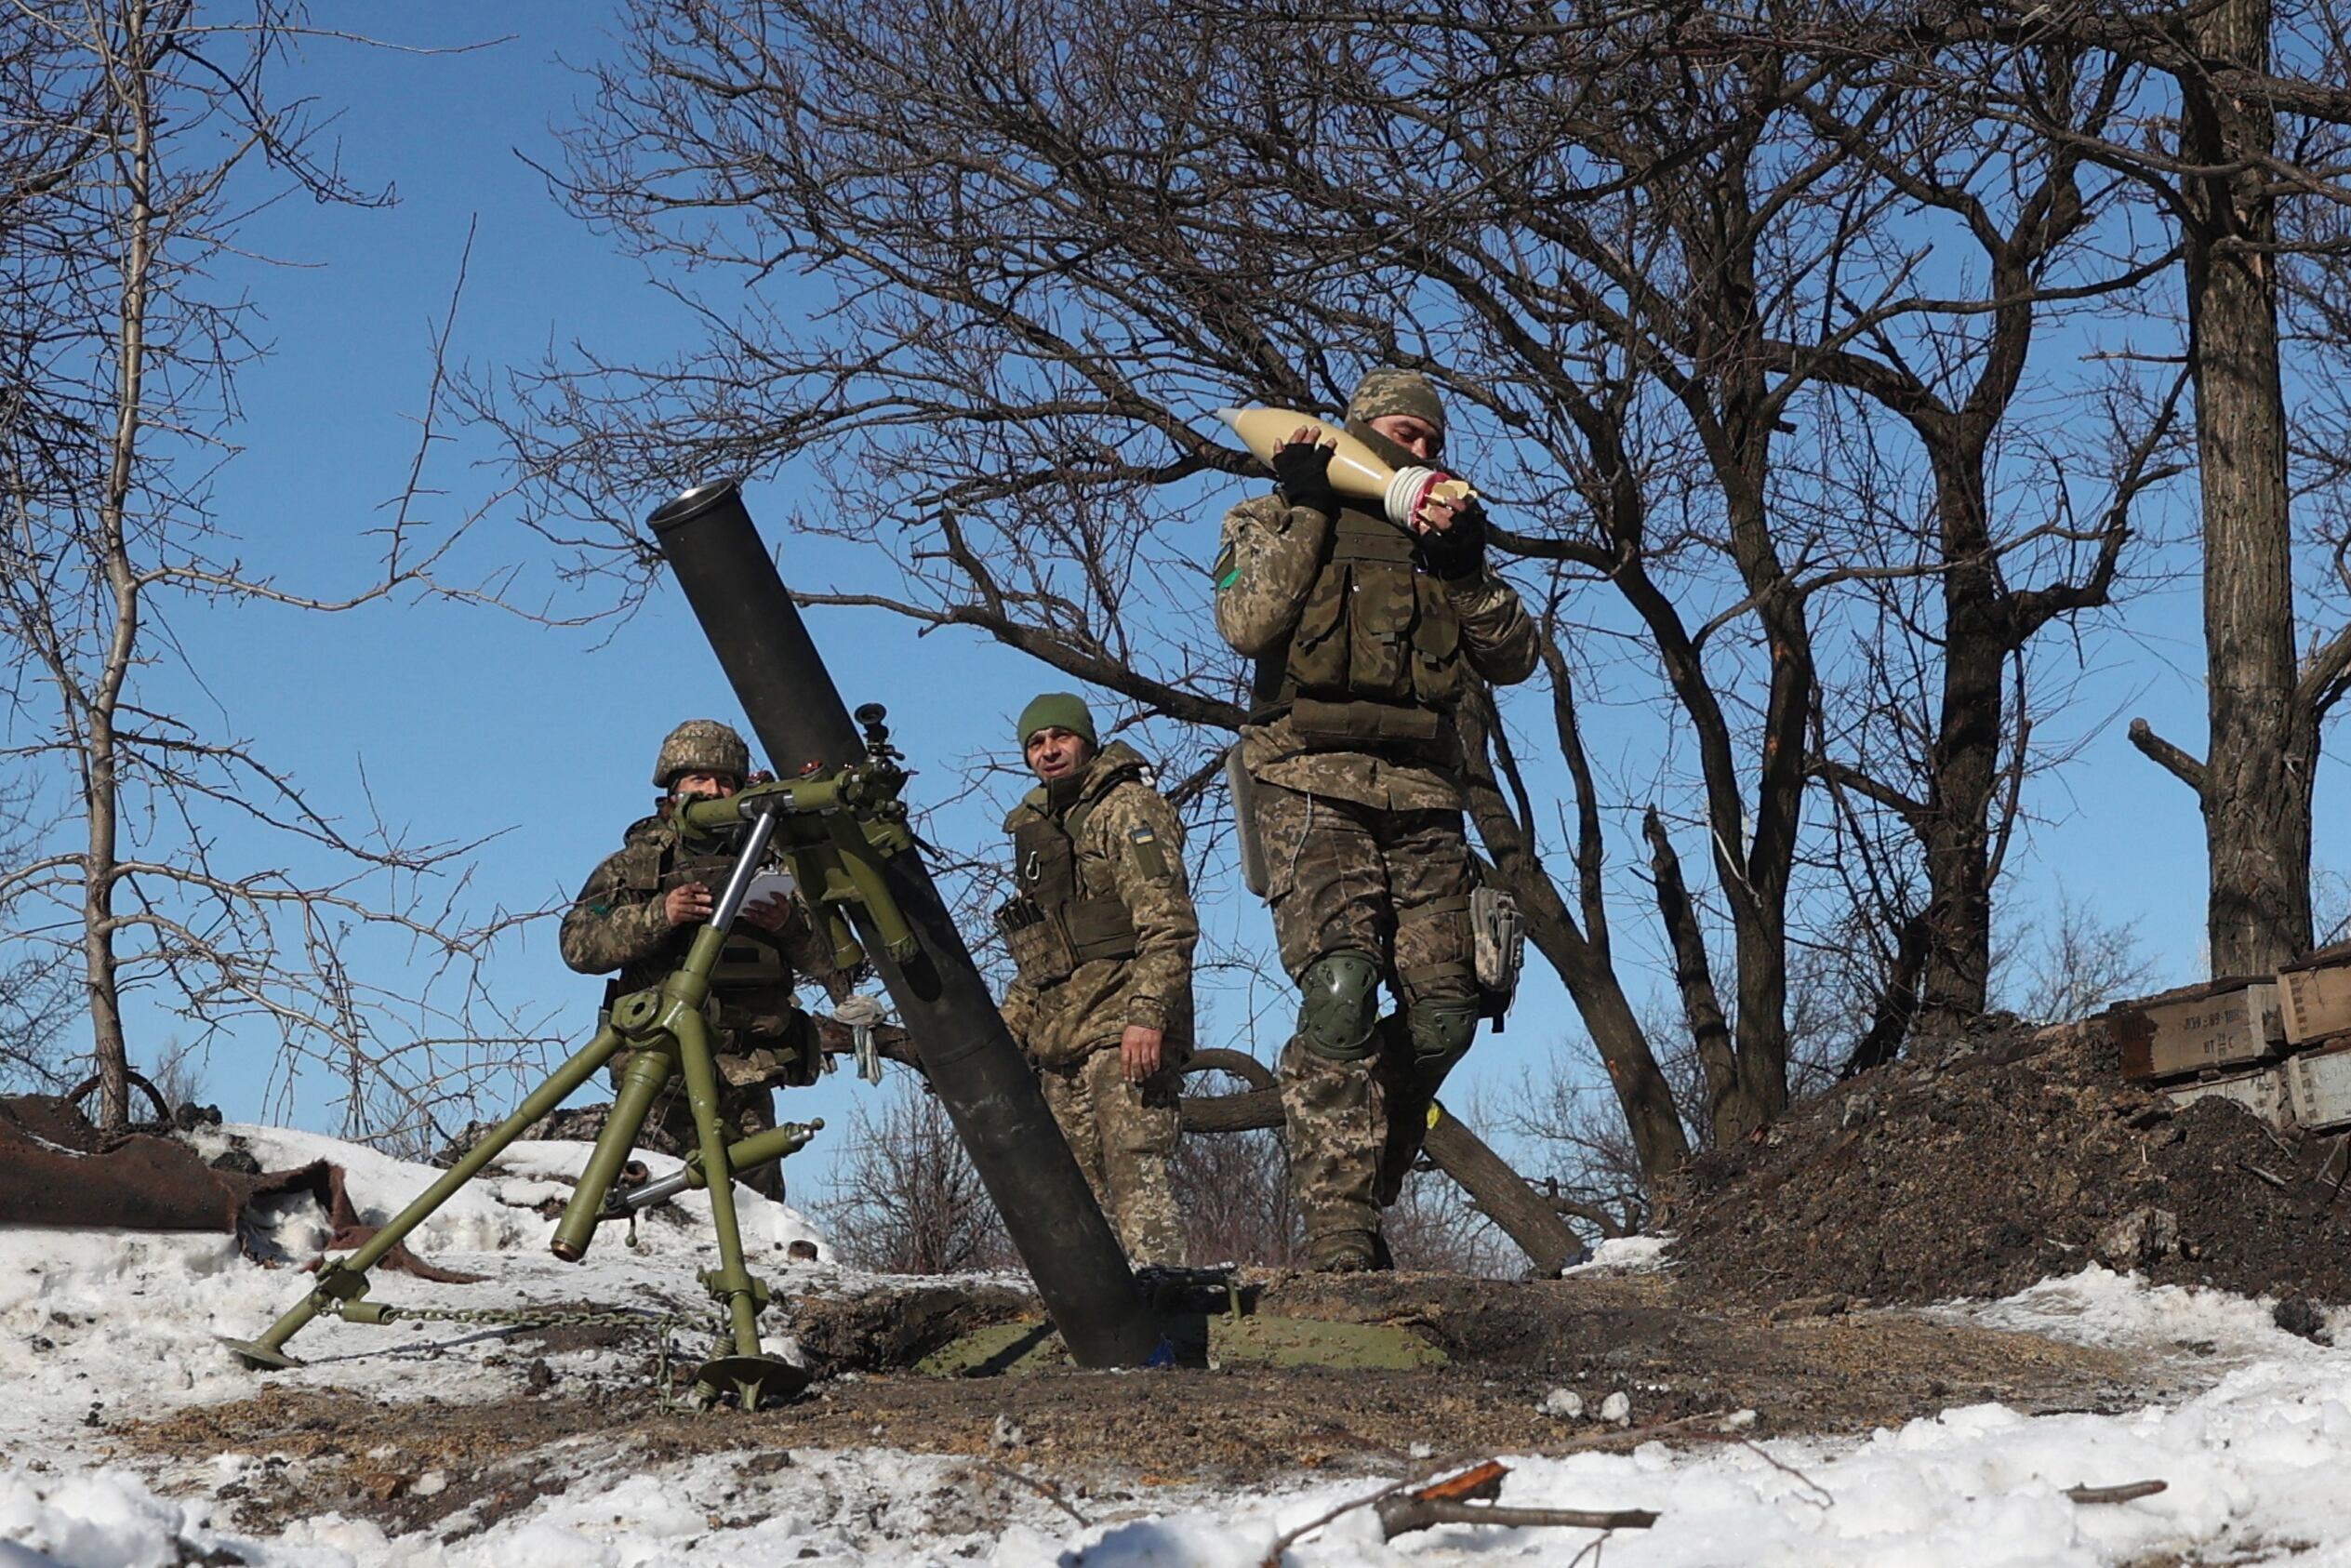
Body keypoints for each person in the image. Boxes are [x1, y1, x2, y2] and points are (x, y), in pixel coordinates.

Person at [1212, 367, 1537, 1271]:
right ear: (1359, 434)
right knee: (1341, 988)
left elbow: (1514, 656)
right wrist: (1309, 506)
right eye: (1402, 433)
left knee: (1446, 1011)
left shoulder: (1443, 542)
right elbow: (1247, 619)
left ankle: (1362, 1154)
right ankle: (1339, 1228)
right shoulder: (1269, 518)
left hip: (1424, 798)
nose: (1419, 450)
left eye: (1431, 440)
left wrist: (1466, 570)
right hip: (1309, 785)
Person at [560, 719, 849, 1201]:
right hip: (659, 1068)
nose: (714, 790)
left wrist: (788, 927)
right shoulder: (633, 865)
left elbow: (834, 963)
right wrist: (660, 915)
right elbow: (577, 944)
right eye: (699, 780)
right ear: (673, 791)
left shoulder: (774, 859)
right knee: (652, 1202)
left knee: (759, 1217)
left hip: (747, 1068)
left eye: (725, 782)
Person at [995, 693, 1197, 1266]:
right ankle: (1110, 1329)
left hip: (1122, 1025)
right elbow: (1038, 957)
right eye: (1036, 743)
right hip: (1062, 1034)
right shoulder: (1036, 829)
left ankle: (1168, 1302)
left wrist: (1147, 1017)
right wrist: (1003, 1038)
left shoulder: (1128, 809)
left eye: (1060, 737)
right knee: (1074, 1195)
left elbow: (1168, 923)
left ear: (1086, 740)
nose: (1049, 751)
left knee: (1136, 1168)